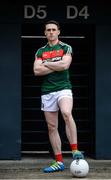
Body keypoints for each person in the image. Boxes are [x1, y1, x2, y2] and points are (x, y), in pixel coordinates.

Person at [33, 20, 84, 173]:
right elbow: (36, 71)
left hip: (63, 89)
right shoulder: (40, 51)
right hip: (47, 91)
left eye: (53, 29)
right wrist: (55, 64)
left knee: (67, 114)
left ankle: (74, 149)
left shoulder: (65, 47)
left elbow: (64, 66)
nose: (51, 32)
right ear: (45, 33)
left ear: (58, 32)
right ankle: (59, 161)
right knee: (52, 127)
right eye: (48, 30)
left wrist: (46, 63)